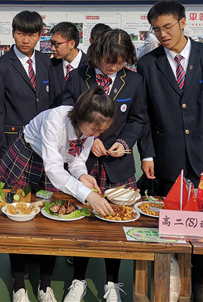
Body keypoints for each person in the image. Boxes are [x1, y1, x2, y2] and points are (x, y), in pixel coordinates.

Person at [136, 0, 203, 300]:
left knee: (201, 228)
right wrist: (147, 154)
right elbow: (144, 115)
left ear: (183, 22)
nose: (162, 34)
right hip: (165, 159)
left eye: (168, 27)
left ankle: (198, 289)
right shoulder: (148, 64)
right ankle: (167, 288)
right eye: (156, 29)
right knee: (167, 226)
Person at [0, 86, 116, 302]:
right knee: (18, 218)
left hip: (54, 167)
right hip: (27, 158)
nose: (97, 135)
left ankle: (45, 285)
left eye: (101, 131)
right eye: (95, 129)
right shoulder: (55, 120)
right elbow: (54, 170)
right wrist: (88, 195)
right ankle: (19, 286)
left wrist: (82, 176)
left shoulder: (89, 130)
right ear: (81, 116)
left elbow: (76, 161)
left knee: (51, 221)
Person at [59, 29, 153, 302]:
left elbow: (139, 119)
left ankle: (112, 283)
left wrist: (125, 142)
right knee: (82, 220)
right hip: (83, 161)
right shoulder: (78, 76)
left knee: (117, 221)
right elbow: (66, 112)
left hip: (118, 163)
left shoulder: (134, 81)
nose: (113, 66)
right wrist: (89, 138)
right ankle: (78, 280)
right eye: (109, 61)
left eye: (120, 62)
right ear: (97, 53)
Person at [0, 10, 52, 161]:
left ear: (39, 36)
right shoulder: (0, 67)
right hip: (14, 141)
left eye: (31, 35)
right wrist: (1, 150)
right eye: (21, 34)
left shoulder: (46, 62)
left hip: (45, 140)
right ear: (13, 33)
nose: (25, 40)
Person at [48, 22, 87, 102]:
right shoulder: (50, 65)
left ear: (71, 44)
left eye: (56, 44)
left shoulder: (91, 65)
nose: (52, 48)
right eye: (51, 43)